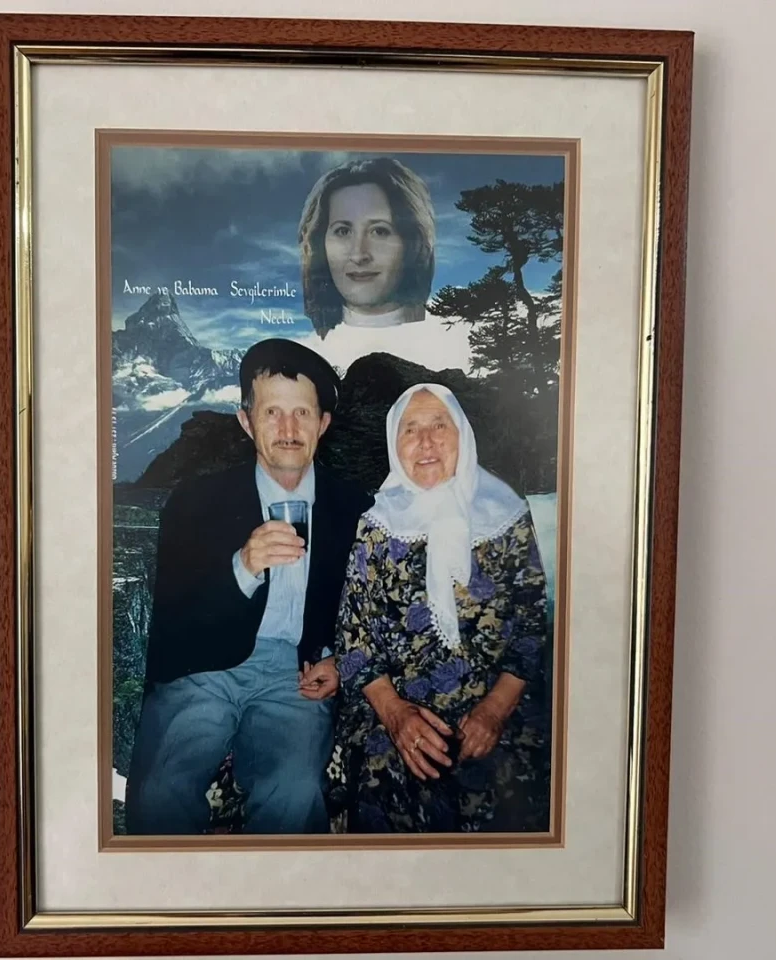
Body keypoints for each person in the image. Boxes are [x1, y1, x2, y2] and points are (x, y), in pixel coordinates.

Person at [126, 338, 374, 835]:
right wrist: (242, 567)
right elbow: (174, 617)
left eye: (302, 413)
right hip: (203, 668)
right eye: (271, 412)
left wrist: (338, 662)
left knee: (294, 793)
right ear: (246, 421)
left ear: (322, 424)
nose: (288, 429)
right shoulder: (194, 502)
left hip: (297, 674)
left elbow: (371, 613)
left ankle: (277, 888)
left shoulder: (357, 509)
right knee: (159, 793)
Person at [325, 383, 552, 833]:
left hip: (495, 704)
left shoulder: (507, 516)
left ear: (462, 435)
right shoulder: (376, 525)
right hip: (394, 708)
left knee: (517, 793)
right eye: (410, 429)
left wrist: (494, 711)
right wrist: (396, 716)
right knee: (385, 788)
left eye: (439, 425)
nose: (426, 441)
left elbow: (530, 629)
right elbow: (355, 640)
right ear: (395, 444)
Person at [297, 157, 471, 374]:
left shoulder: (452, 344)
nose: (359, 254)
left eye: (379, 231)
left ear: (412, 243)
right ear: (320, 242)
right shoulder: (305, 352)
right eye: (343, 231)